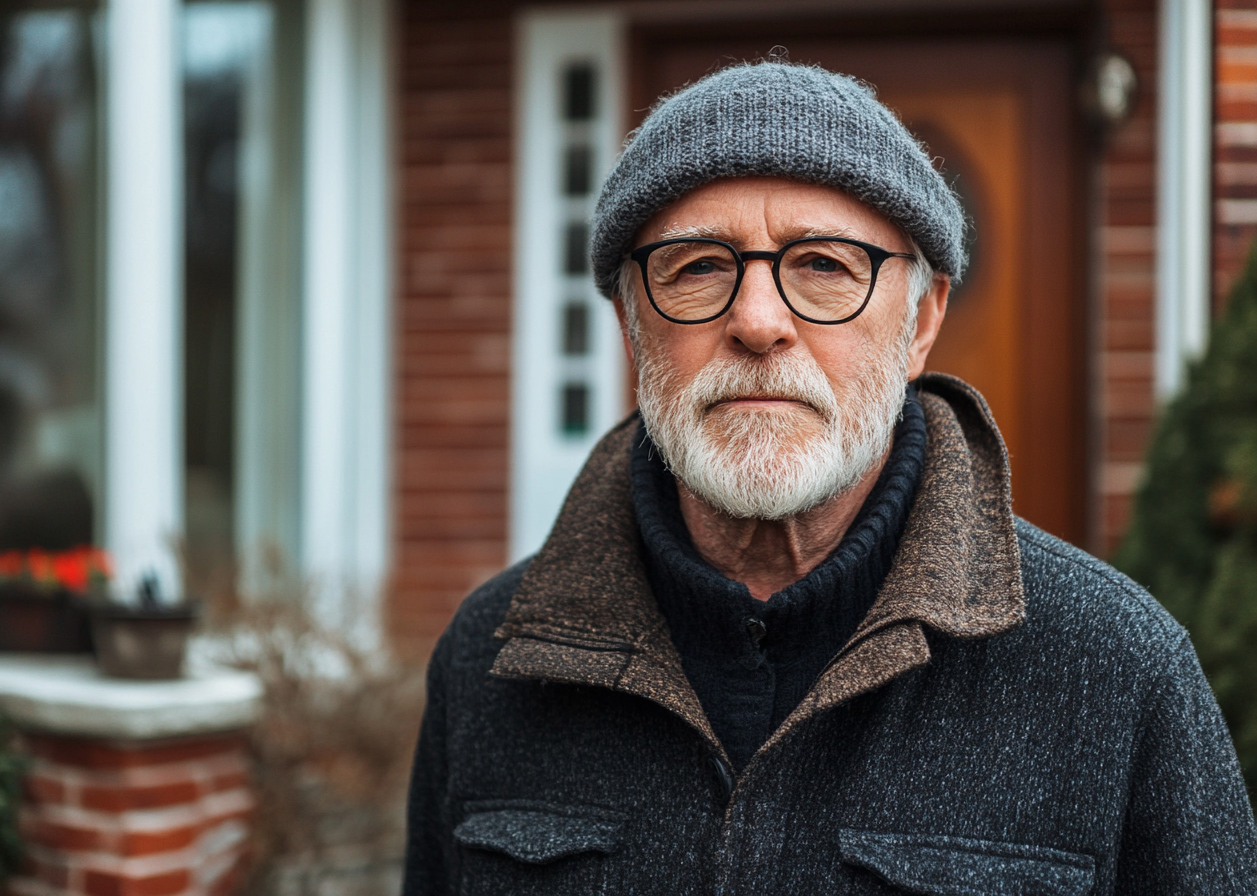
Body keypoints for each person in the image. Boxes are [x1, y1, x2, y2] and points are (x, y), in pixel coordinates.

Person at [402, 62, 1257, 894]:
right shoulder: (488, 660)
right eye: (697, 267)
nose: (758, 322)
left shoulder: (1118, 669)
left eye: (824, 265)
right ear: (632, 325)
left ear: (921, 321)